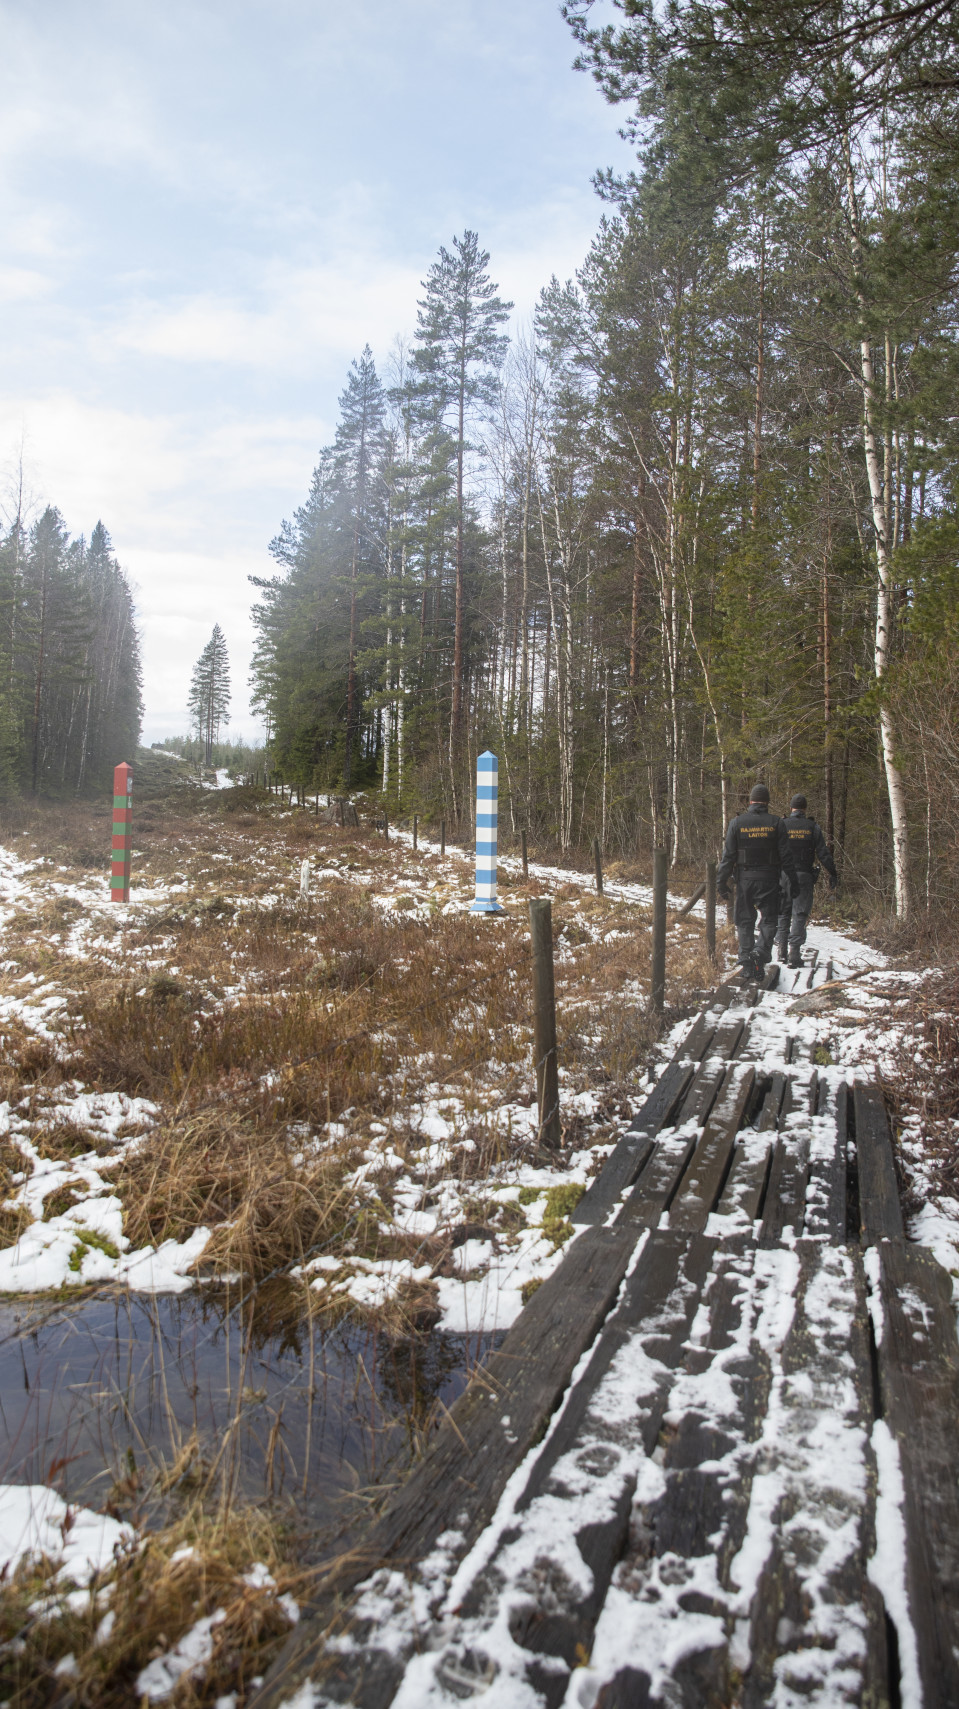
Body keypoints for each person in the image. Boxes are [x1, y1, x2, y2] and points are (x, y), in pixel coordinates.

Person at [716, 783, 799, 985]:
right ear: (767, 802)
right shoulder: (777, 823)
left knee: (744, 920)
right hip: (769, 880)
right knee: (769, 920)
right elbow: (786, 856)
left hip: (744, 880)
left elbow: (728, 856)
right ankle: (760, 953)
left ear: (751, 801)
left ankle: (746, 962)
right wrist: (793, 882)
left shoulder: (737, 823)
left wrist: (721, 881)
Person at [775, 793, 838, 968]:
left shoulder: (782, 825)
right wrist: (833, 873)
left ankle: (781, 950)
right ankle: (794, 953)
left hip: (783, 876)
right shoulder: (812, 827)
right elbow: (823, 854)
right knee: (800, 913)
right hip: (803, 876)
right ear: (805, 809)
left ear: (791, 808)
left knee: (783, 912)